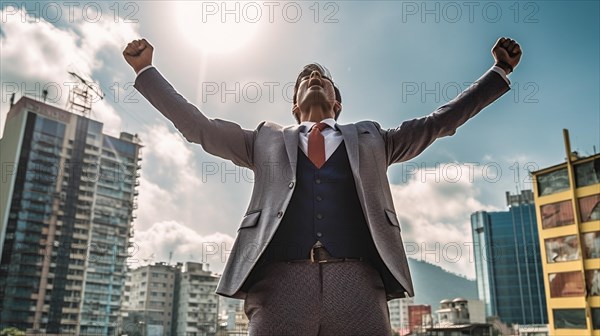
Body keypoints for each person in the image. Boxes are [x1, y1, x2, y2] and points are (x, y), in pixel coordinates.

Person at [123, 37, 521, 335]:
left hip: (358, 285)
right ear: (294, 105)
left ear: (338, 102)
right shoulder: (263, 140)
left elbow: (439, 121)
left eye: (322, 78)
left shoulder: (374, 139)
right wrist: (147, 71)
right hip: (279, 284)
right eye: (305, 79)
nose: (313, 78)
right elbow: (200, 128)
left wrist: (497, 73)